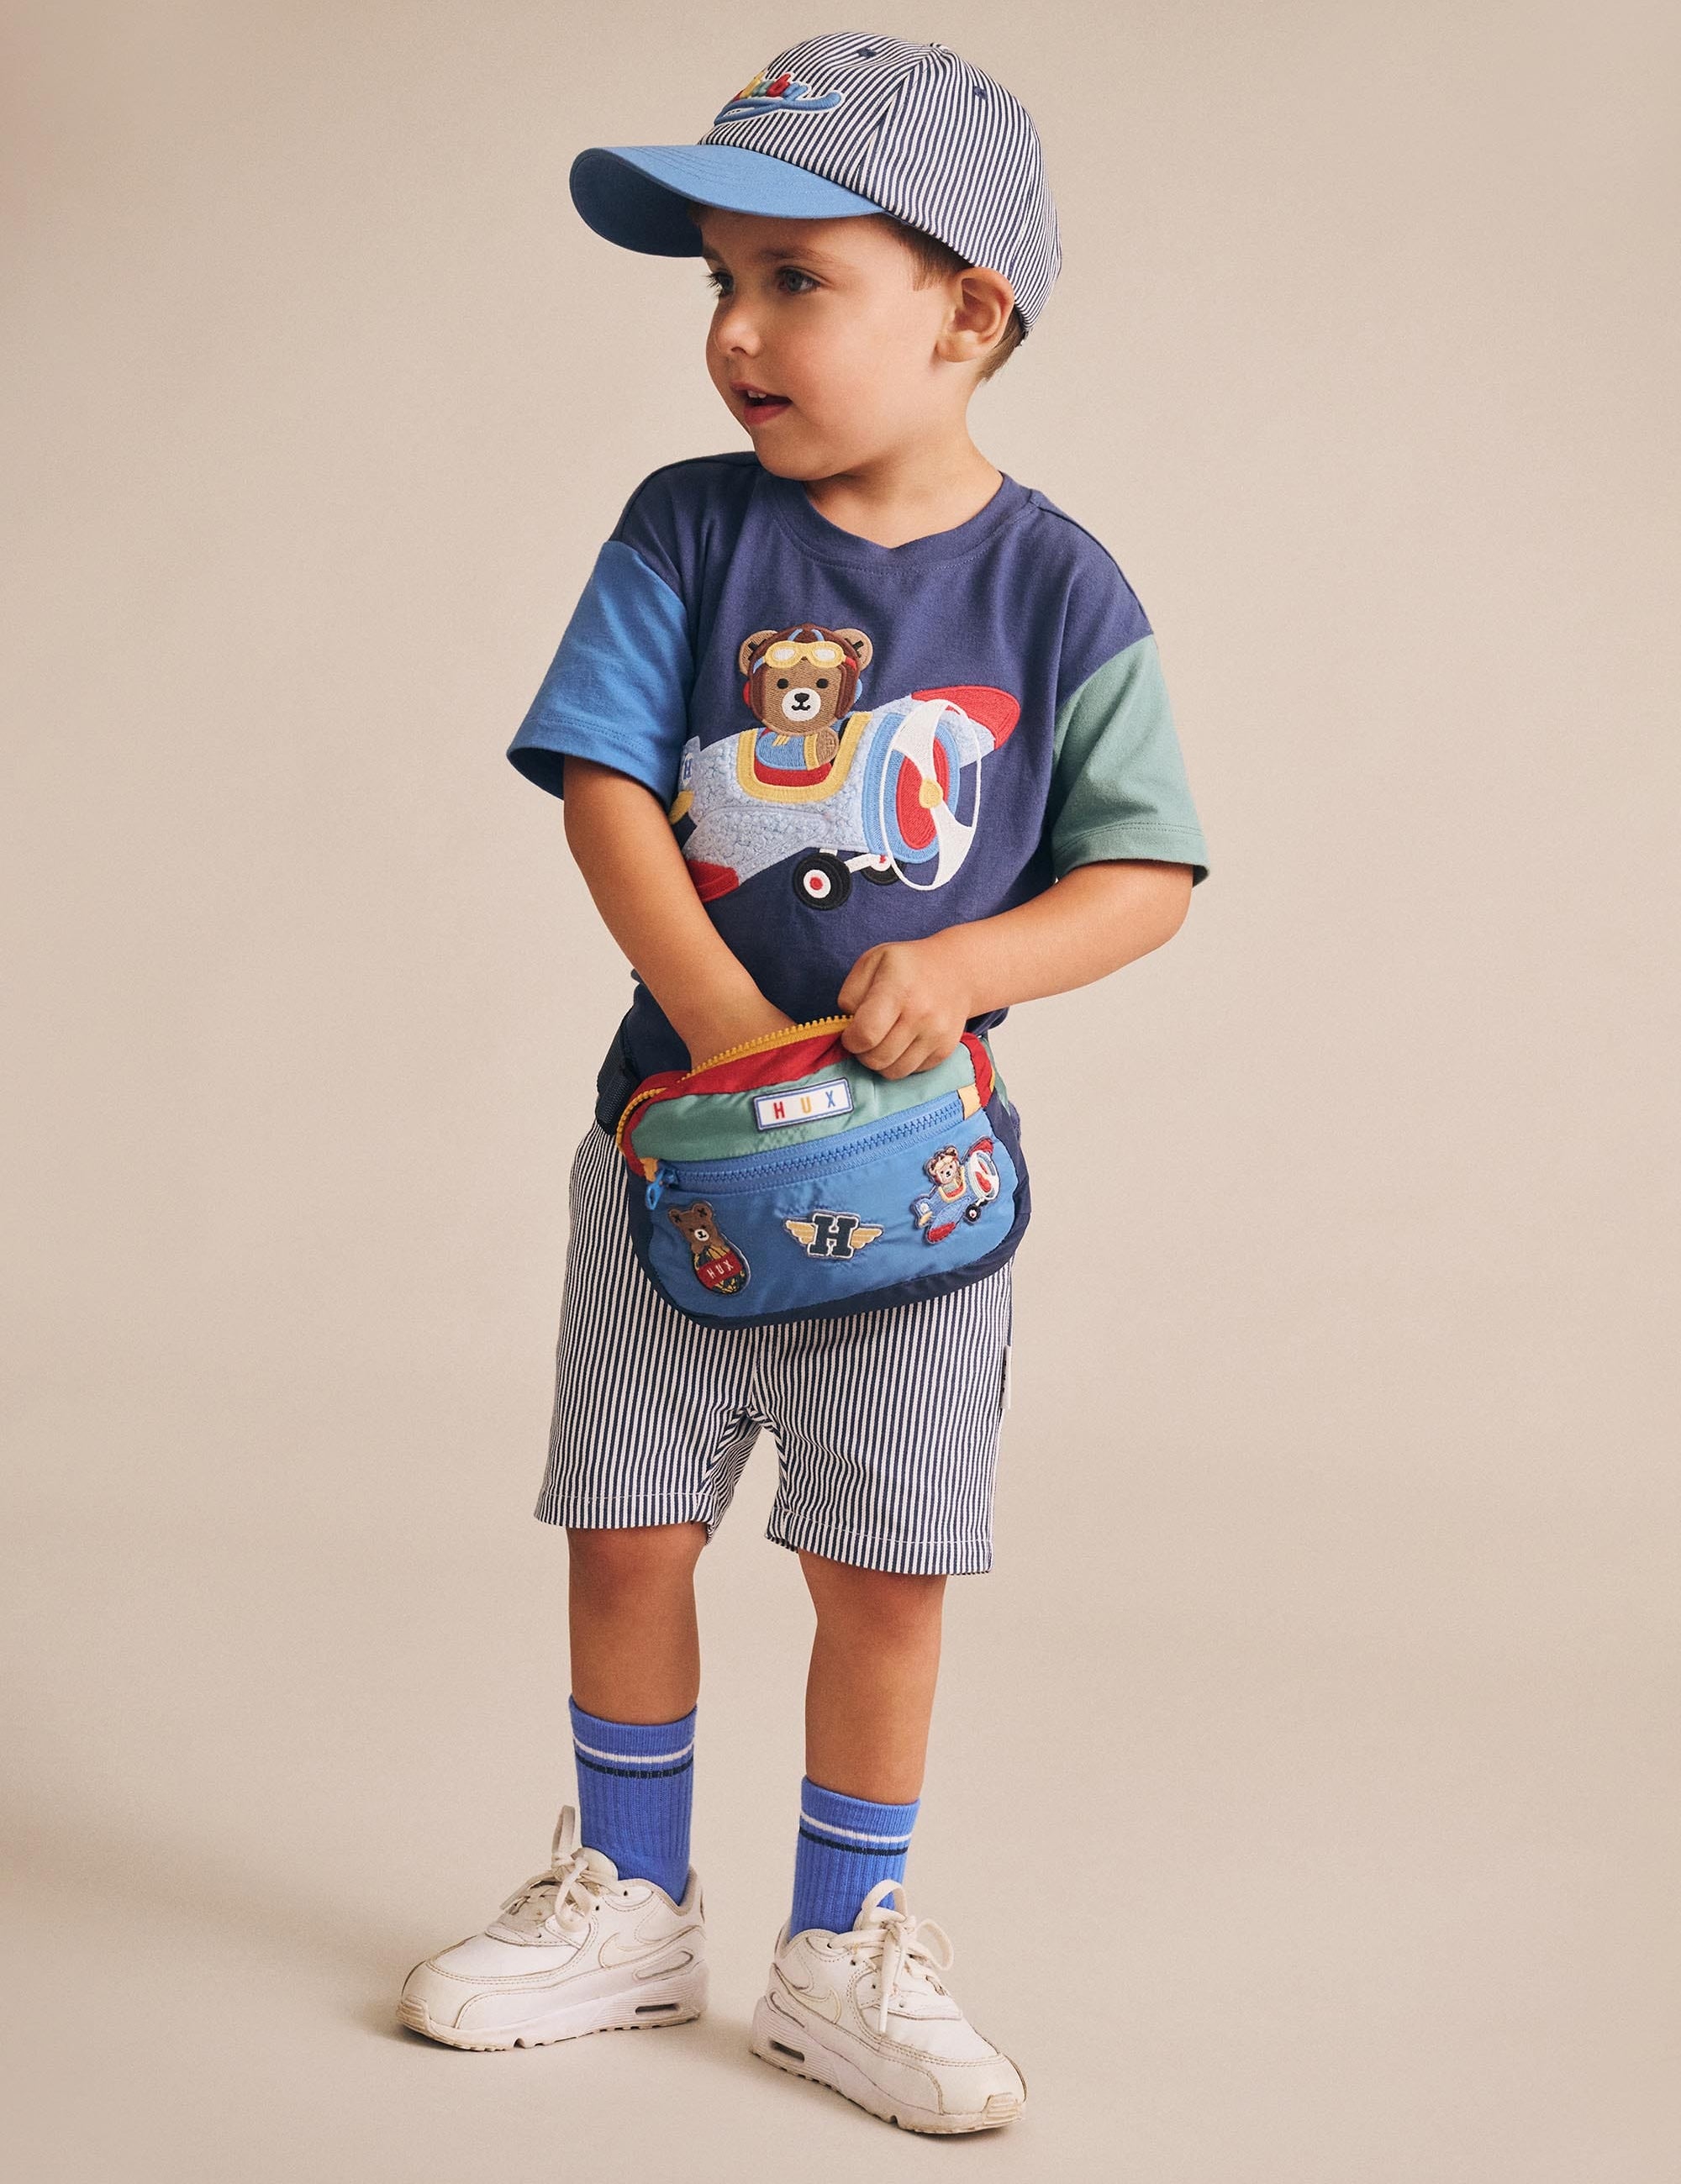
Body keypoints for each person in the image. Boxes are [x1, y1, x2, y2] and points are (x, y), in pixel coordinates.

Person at [398, 32, 1209, 2135]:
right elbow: (602, 780)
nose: (735, 331)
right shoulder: (685, 529)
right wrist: (708, 1012)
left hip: (912, 1192)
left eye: (794, 280)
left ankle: (843, 1944)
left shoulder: (1058, 589)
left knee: (881, 1568)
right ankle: (629, 1897)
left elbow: (1142, 872)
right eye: (718, 283)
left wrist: (969, 964)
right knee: (626, 1531)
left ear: (967, 312)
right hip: (669, 1157)